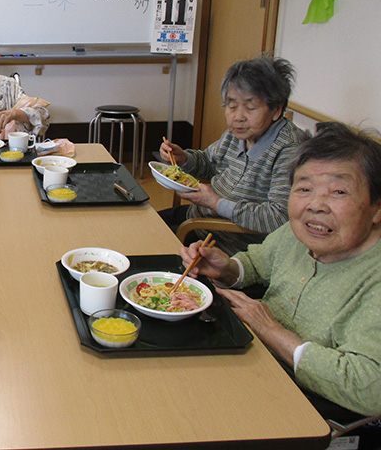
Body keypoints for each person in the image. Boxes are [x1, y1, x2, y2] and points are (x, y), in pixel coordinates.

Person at [179, 123, 381, 417]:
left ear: (376, 208)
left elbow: (368, 390)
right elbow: (258, 262)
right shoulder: (300, 233)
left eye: (338, 191)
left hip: (305, 409)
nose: (316, 205)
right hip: (250, 361)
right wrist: (227, 268)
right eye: (304, 188)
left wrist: (271, 330)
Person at [159, 57, 309, 255]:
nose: (238, 116)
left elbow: (279, 218)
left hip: (228, 244)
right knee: (139, 223)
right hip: (201, 219)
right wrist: (184, 158)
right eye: (231, 106)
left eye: (250, 107)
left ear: (276, 110)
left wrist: (216, 203)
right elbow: (208, 162)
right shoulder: (238, 133)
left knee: (147, 247)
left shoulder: (290, 150)